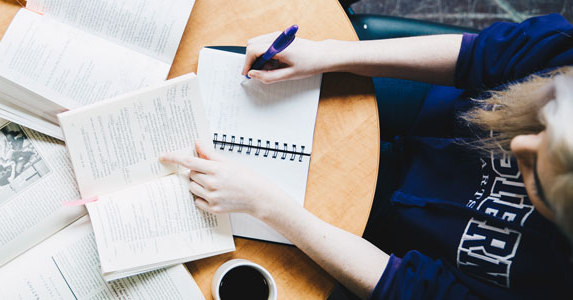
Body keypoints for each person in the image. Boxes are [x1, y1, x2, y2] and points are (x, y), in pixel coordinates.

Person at [161, 14, 573, 299]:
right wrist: (332, 53)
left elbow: (406, 289)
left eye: (534, 173)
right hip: (436, 113)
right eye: (545, 114)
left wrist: (267, 204)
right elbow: (480, 56)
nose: (519, 145)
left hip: (399, 238)